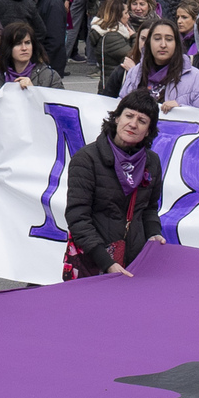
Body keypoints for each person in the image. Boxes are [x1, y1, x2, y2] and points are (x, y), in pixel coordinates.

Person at [67, 91, 167, 277]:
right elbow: (78, 218)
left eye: (142, 121)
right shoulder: (86, 159)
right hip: (94, 262)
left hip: (135, 263)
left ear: (148, 131)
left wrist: (154, 233)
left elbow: (149, 209)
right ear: (117, 118)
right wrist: (107, 262)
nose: (133, 124)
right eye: (129, 116)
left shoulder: (152, 162)